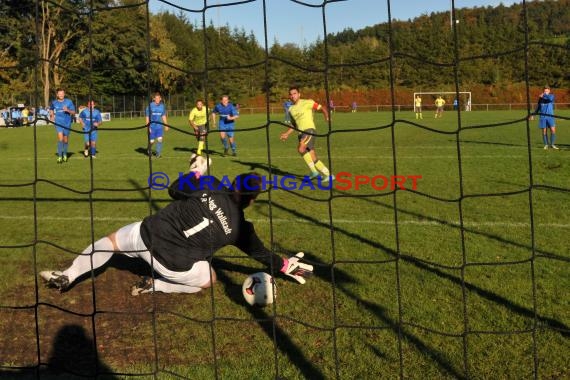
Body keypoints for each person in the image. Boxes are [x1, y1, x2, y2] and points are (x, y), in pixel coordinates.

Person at [39, 160, 314, 295]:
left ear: (233, 183)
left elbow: (172, 190)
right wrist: (285, 265)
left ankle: (68, 274)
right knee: (210, 280)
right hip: (172, 265)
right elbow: (261, 254)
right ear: (252, 200)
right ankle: (157, 286)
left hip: (145, 236)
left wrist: (195, 173)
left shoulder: (210, 184)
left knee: (109, 242)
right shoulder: (242, 229)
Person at [279, 86, 333, 182]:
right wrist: (287, 133)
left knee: (301, 148)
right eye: (291, 94)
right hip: (301, 133)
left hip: (309, 130)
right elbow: (294, 124)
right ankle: (328, 175)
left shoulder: (307, 102)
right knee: (312, 156)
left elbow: (322, 108)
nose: (293, 96)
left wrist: (326, 116)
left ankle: (314, 172)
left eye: (295, 93)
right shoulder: (291, 109)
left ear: (299, 94)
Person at [49, 88, 76, 163]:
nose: (61, 95)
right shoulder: (54, 102)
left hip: (67, 123)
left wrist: (68, 110)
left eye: (62, 93)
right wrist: (52, 115)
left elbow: (73, 112)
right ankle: (60, 157)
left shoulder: (69, 102)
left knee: (65, 140)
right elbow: (51, 109)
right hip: (58, 123)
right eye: (59, 94)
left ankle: (65, 154)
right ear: (57, 95)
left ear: (64, 94)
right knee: (60, 139)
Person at [531, 86, 558, 150]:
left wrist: (544, 95)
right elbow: (537, 108)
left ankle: (552, 144)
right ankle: (546, 144)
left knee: (553, 130)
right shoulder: (540, 99)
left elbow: (550, 99)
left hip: (550, 117)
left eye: (546, 91)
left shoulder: (551, 96)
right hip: (543, 117)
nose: (545, 92)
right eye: (544, 91)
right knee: (544, 131)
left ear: (549, 91)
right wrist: (533, 115)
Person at [145, 92, 168, 158]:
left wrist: (166, 125)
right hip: (152, 126)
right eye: (156, 98)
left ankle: (158, 153)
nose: (157, 99)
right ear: (154, 99)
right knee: (151, 141)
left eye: (159, 98)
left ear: (160, 99)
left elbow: (163, 116)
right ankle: (149, 149)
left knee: (160, 139)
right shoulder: (150, 106)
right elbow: (147, 117)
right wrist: (148, 127)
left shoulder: (162, 106)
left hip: (159, 127)